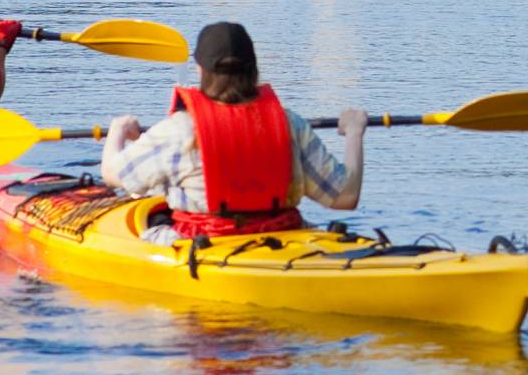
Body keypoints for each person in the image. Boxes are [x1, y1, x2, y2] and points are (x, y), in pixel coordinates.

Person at [100, 21, 366, 244]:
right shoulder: (288, 123)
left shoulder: (180, 129)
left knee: (145, 216)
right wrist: (354, 133)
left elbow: (113, 174)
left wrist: (118, 130)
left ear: (201, 70)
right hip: (285, 238)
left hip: (201, 243)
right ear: (254, 69)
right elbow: (345, 197)